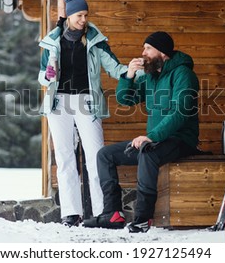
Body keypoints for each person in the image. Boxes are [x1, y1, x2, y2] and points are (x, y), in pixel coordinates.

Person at [83, 31, 200, 233]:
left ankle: (143, 218)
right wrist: (128, 76)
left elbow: (180, 112)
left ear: (162, 53)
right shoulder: (151, 77)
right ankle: (112, 214)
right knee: (105, 155)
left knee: (147, 152)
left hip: (180, 140)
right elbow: (125, 99)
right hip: (155, 142)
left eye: (147, 48)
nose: (143, 52)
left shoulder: (183, 74)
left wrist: (151, 136)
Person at [38, 0, 127, 227]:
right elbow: (41, 76)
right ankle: (71, 213)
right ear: (68, 15)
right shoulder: (52, 42)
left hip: (87, 101)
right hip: (58, 104)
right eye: (79, 15)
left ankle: (102, 212)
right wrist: (48, 73)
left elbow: (115, 69)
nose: (83, 20)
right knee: (65, 158)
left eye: (86, 15)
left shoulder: (96, 41)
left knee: (95, 155)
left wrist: (133, 70)